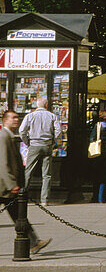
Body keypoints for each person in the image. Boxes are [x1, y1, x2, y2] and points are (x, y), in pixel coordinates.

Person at [0, 109, 51, 254]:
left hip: (7, 186)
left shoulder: (10, 136)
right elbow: (3, 163)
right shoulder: (3, 136)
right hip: (4, 186)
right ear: (5, 120)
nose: (16, 120)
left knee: (19, 215)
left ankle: (34, 242)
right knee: (18, 215)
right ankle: (34, 242)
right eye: (13, 118)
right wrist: (12, 184)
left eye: (17, 118)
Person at [18, 98, 61, 205]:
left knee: (28, 171)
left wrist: (27, 142)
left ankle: (23, 196)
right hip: (46, 145)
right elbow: (58, 131)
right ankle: (44, 200)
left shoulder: (30, 116)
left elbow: (22, 131)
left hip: (34, 144)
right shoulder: (52, 116)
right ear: (46, 105)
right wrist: (53, 141)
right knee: (46, 174)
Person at [89, 107, 106, 203]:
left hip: (98, 152)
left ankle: (95, 197)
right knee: (104, 176)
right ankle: (102, 197)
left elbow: (92, 138)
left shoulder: (98, 125)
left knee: (96, 176)